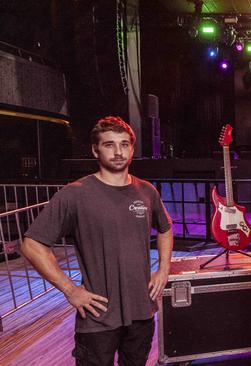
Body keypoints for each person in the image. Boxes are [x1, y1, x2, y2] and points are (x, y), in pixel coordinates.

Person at [21, 116, 173, 366]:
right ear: (95, 150)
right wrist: (70, 290)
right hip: (97, 315)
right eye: (109, 145)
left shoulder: (146, 191)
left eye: (124, 144)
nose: (118, 152)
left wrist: (163, 269)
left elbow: (165, 229)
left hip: (142, 312)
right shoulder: (75, 194)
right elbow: (32, 244)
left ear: (132, 149)